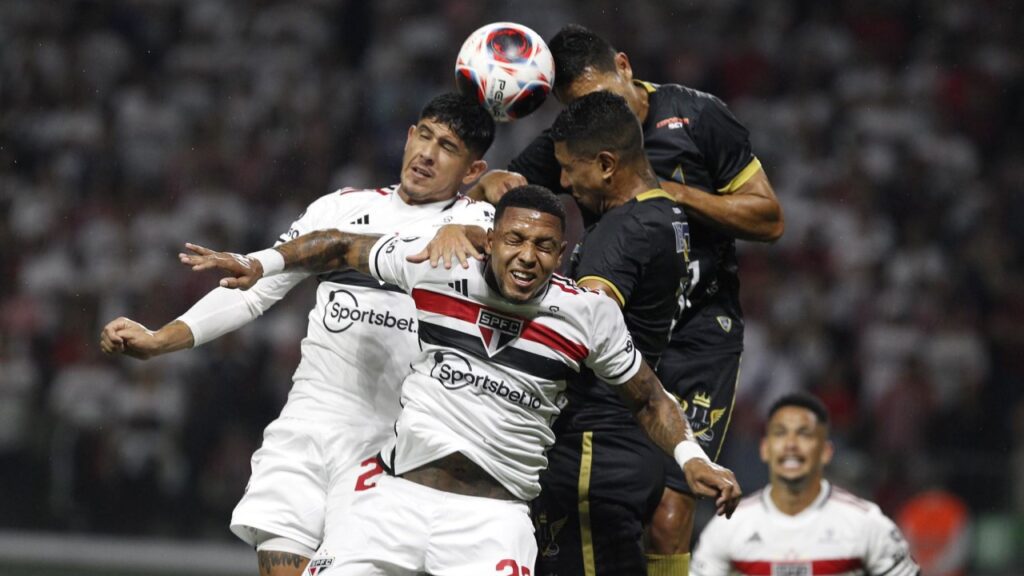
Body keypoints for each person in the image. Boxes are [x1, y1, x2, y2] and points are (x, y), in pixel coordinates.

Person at [180, 186, 742, 575]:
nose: (527, 257)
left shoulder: (588, 313)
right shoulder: (438, 267)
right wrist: (264, 264)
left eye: (544, 246)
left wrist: (694, 459)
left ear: (562, 254)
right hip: (390, 499)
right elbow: (338, 244)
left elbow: (648, 397)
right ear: (491, 238)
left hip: (492, 523)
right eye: (516, 240)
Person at [99, 93, 496, 576]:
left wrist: (491, 199)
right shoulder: (339, 207)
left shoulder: (477, 226)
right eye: (425, 136)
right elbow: (253, 290)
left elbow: (499, 236)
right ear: (410, 135)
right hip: (307, 431)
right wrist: (161, 339)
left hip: (394, 448)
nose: (428, 155)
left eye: (449, 148)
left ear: (473, 170)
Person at [472, 24, 785, 573]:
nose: (596, 116)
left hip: (698, 333)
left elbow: (768, 217)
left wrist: (672, 193)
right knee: (605, 499)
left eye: (602, 99)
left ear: (623, 65)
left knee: (669, 508)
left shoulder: (697, 116)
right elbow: (501, 186)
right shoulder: (576, 136)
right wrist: (492, 186)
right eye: (579, 107)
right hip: (626, 330)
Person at [529, 90, 694, 575]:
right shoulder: (666, 214)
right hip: (626, 443)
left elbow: (581, 329)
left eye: (568, 167)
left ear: (605, 163)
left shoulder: (622, 233)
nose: (562, 180)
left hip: (592, 451)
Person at [691, 392, 920, 576]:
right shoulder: (729, 527)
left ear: (826, 451)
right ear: (764, 448)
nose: (791, 444)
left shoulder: (867, 523)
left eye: (804, 434)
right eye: (780, 433)